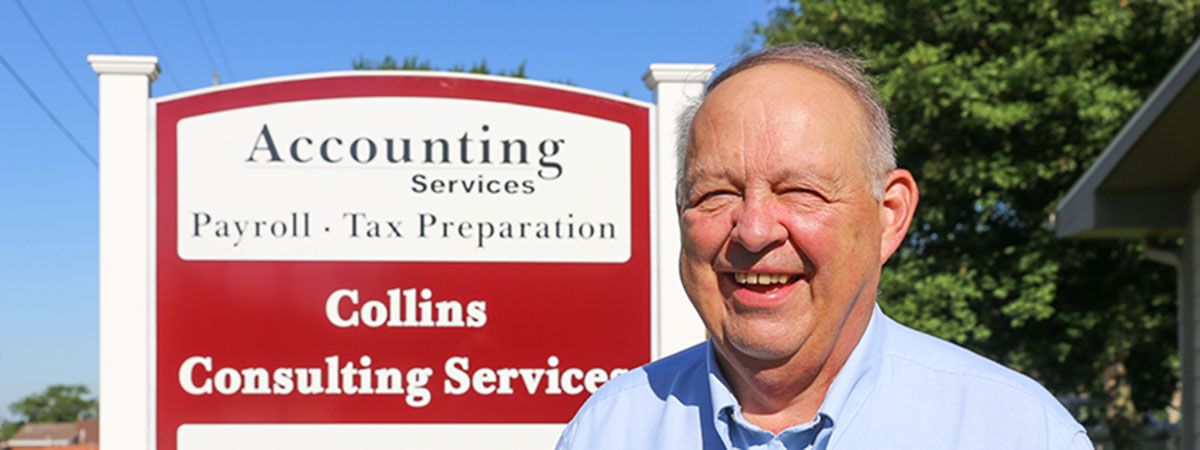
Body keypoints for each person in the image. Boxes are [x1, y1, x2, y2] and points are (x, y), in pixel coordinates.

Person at [556, 43, 1091, 449]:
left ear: (889, 215)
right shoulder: (611, 430)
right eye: (717, 194)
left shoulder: (1012, 432)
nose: (755, 230)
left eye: (800, 192)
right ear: (681, 215)